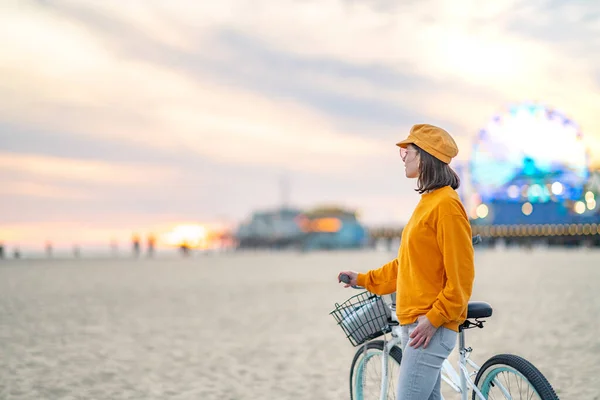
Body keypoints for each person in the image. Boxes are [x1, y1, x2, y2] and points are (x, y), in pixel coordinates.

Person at [338, 124, 475, 400]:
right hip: (417, 324)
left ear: (424, 156)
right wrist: (363, 279)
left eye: (407, 152)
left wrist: (433, 320)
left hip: (429, 326)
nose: (403, 158)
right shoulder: (428, 202)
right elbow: (406, 266)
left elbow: (461, 277)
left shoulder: (446, 206)